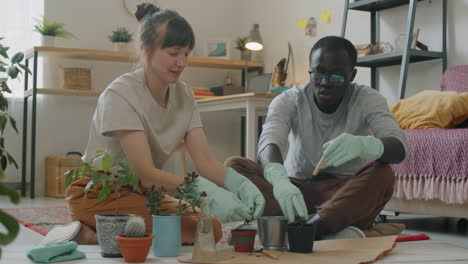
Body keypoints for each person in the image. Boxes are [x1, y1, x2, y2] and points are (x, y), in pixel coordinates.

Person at [41, 3, 265, 245]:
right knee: (202, 227)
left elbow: (205, 162)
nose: (181, 63)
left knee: (208, 227)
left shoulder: (185, 95)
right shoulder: (121, 94)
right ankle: (91, 233)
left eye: (186, 54)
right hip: (99, 193)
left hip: (143, 192)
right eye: (173, 53)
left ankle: (110, 229)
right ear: (145, 49)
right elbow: (146, 173)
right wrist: (202, 192)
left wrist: (240, 184)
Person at [226, 36, 408, 239]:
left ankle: (308, 228)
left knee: (383, 174)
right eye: (318, 73)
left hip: (343, 191)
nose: (325, 82)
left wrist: (367, 145)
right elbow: (269, 141)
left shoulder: (367, 98)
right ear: (310, 71)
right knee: (235, 167)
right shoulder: (289, 99)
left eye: (337, 76)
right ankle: (325, 226)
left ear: (352, 75)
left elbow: (400, 148)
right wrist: (279, 180)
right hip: (295, 188)